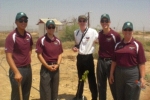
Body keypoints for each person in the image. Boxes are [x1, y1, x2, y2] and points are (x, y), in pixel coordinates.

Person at [109, 21, 146, 100]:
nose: (127, 32)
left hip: (133, 74)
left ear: (132, 31)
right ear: (122, 31)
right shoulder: (117, 45)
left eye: (130, 30)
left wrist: (142, 77)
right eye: (125, 29)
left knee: (132, 95)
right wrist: (111, 74)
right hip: (119, 73)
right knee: (119, 95)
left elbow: (141, 63)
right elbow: (114, 61)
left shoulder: (137, 44)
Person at [5, 12, 33, 100]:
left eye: (25, 20)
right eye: (21, 20)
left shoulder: (28, 35)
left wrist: (27, 58)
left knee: (26, 94)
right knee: (17, 96)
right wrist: (16, 72)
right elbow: (8, 56)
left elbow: (30, 48)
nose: (23, 22)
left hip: (28, 69)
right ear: (16, 22)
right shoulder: (11, 36)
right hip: (17, 69)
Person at [36, 20, 63, 100]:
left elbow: (60, 54)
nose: (51, 29)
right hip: (46, 68)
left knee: (54, 91)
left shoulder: (57, 41)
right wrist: (47, 66)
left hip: (56, 67)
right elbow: (39, 55)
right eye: (49, 27)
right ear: (46, 28)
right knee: (45, 91)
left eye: (53, 27)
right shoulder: (41, 40)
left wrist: (57, 65)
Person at [72, 15, 98, 100]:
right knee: (81, 78)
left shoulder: (93, 32)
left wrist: (97, 41)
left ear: (86, 22)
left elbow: (99, 39)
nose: (82, 22)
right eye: (80, 21)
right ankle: (79, 95)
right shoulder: (76, 32)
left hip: (89, 58)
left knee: (91, 79)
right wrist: (74, 48)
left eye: (84, 21)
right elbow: (77, 44)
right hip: (80, 58)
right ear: (78, 22)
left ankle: (94, 97)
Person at [97, 13, 121, 100]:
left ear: (109, 22)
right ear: (100, 22)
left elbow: (119, 50)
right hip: (100, 62)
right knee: (101, 85)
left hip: (111, 63)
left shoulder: (116, 35)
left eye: (106, 21)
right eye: (102, 21)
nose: (104, 23)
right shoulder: (99, 34)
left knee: (113, 85)